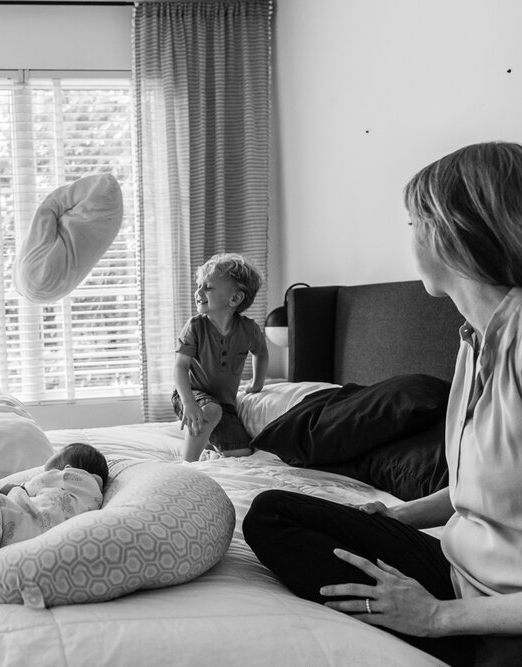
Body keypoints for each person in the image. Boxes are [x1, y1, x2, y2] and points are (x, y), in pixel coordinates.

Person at [242, 141, 522, 667]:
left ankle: (472, 644)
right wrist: (398, 517)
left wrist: (436, 617)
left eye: (413, 222)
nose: (409, 236)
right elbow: (483, 490)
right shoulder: (474, 339)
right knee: (272, 513)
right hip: (462, 571)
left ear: (452, 231)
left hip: (502, 606)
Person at [172, 253, 269, 462]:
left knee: (240, 453)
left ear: (234, 299)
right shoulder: (196, 326)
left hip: (224, 405)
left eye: (208, 287)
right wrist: (188, 403)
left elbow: (260, 353)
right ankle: (185, 465)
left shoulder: (249, 330)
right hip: (190, 395)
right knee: (210, 410)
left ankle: (205, 437)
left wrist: (256, 385)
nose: (198, 292)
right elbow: (180, 367)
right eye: (199, 285)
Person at [0, 442, 108, 561]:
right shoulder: (95, 497)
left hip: (29, 521)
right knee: (0, 516)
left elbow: (33, 485)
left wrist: (15, 488)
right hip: (41, 540)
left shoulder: (69, 476)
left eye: (57, 453)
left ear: (67, 466)